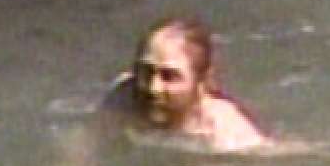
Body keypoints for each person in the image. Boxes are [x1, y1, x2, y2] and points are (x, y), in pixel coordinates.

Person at [100, 16, 270, 152]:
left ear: (202, 81)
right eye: (146, 71)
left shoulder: (229, 134)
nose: (153, 88)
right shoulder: (122, 95)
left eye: (169, 76)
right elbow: (92, 141)